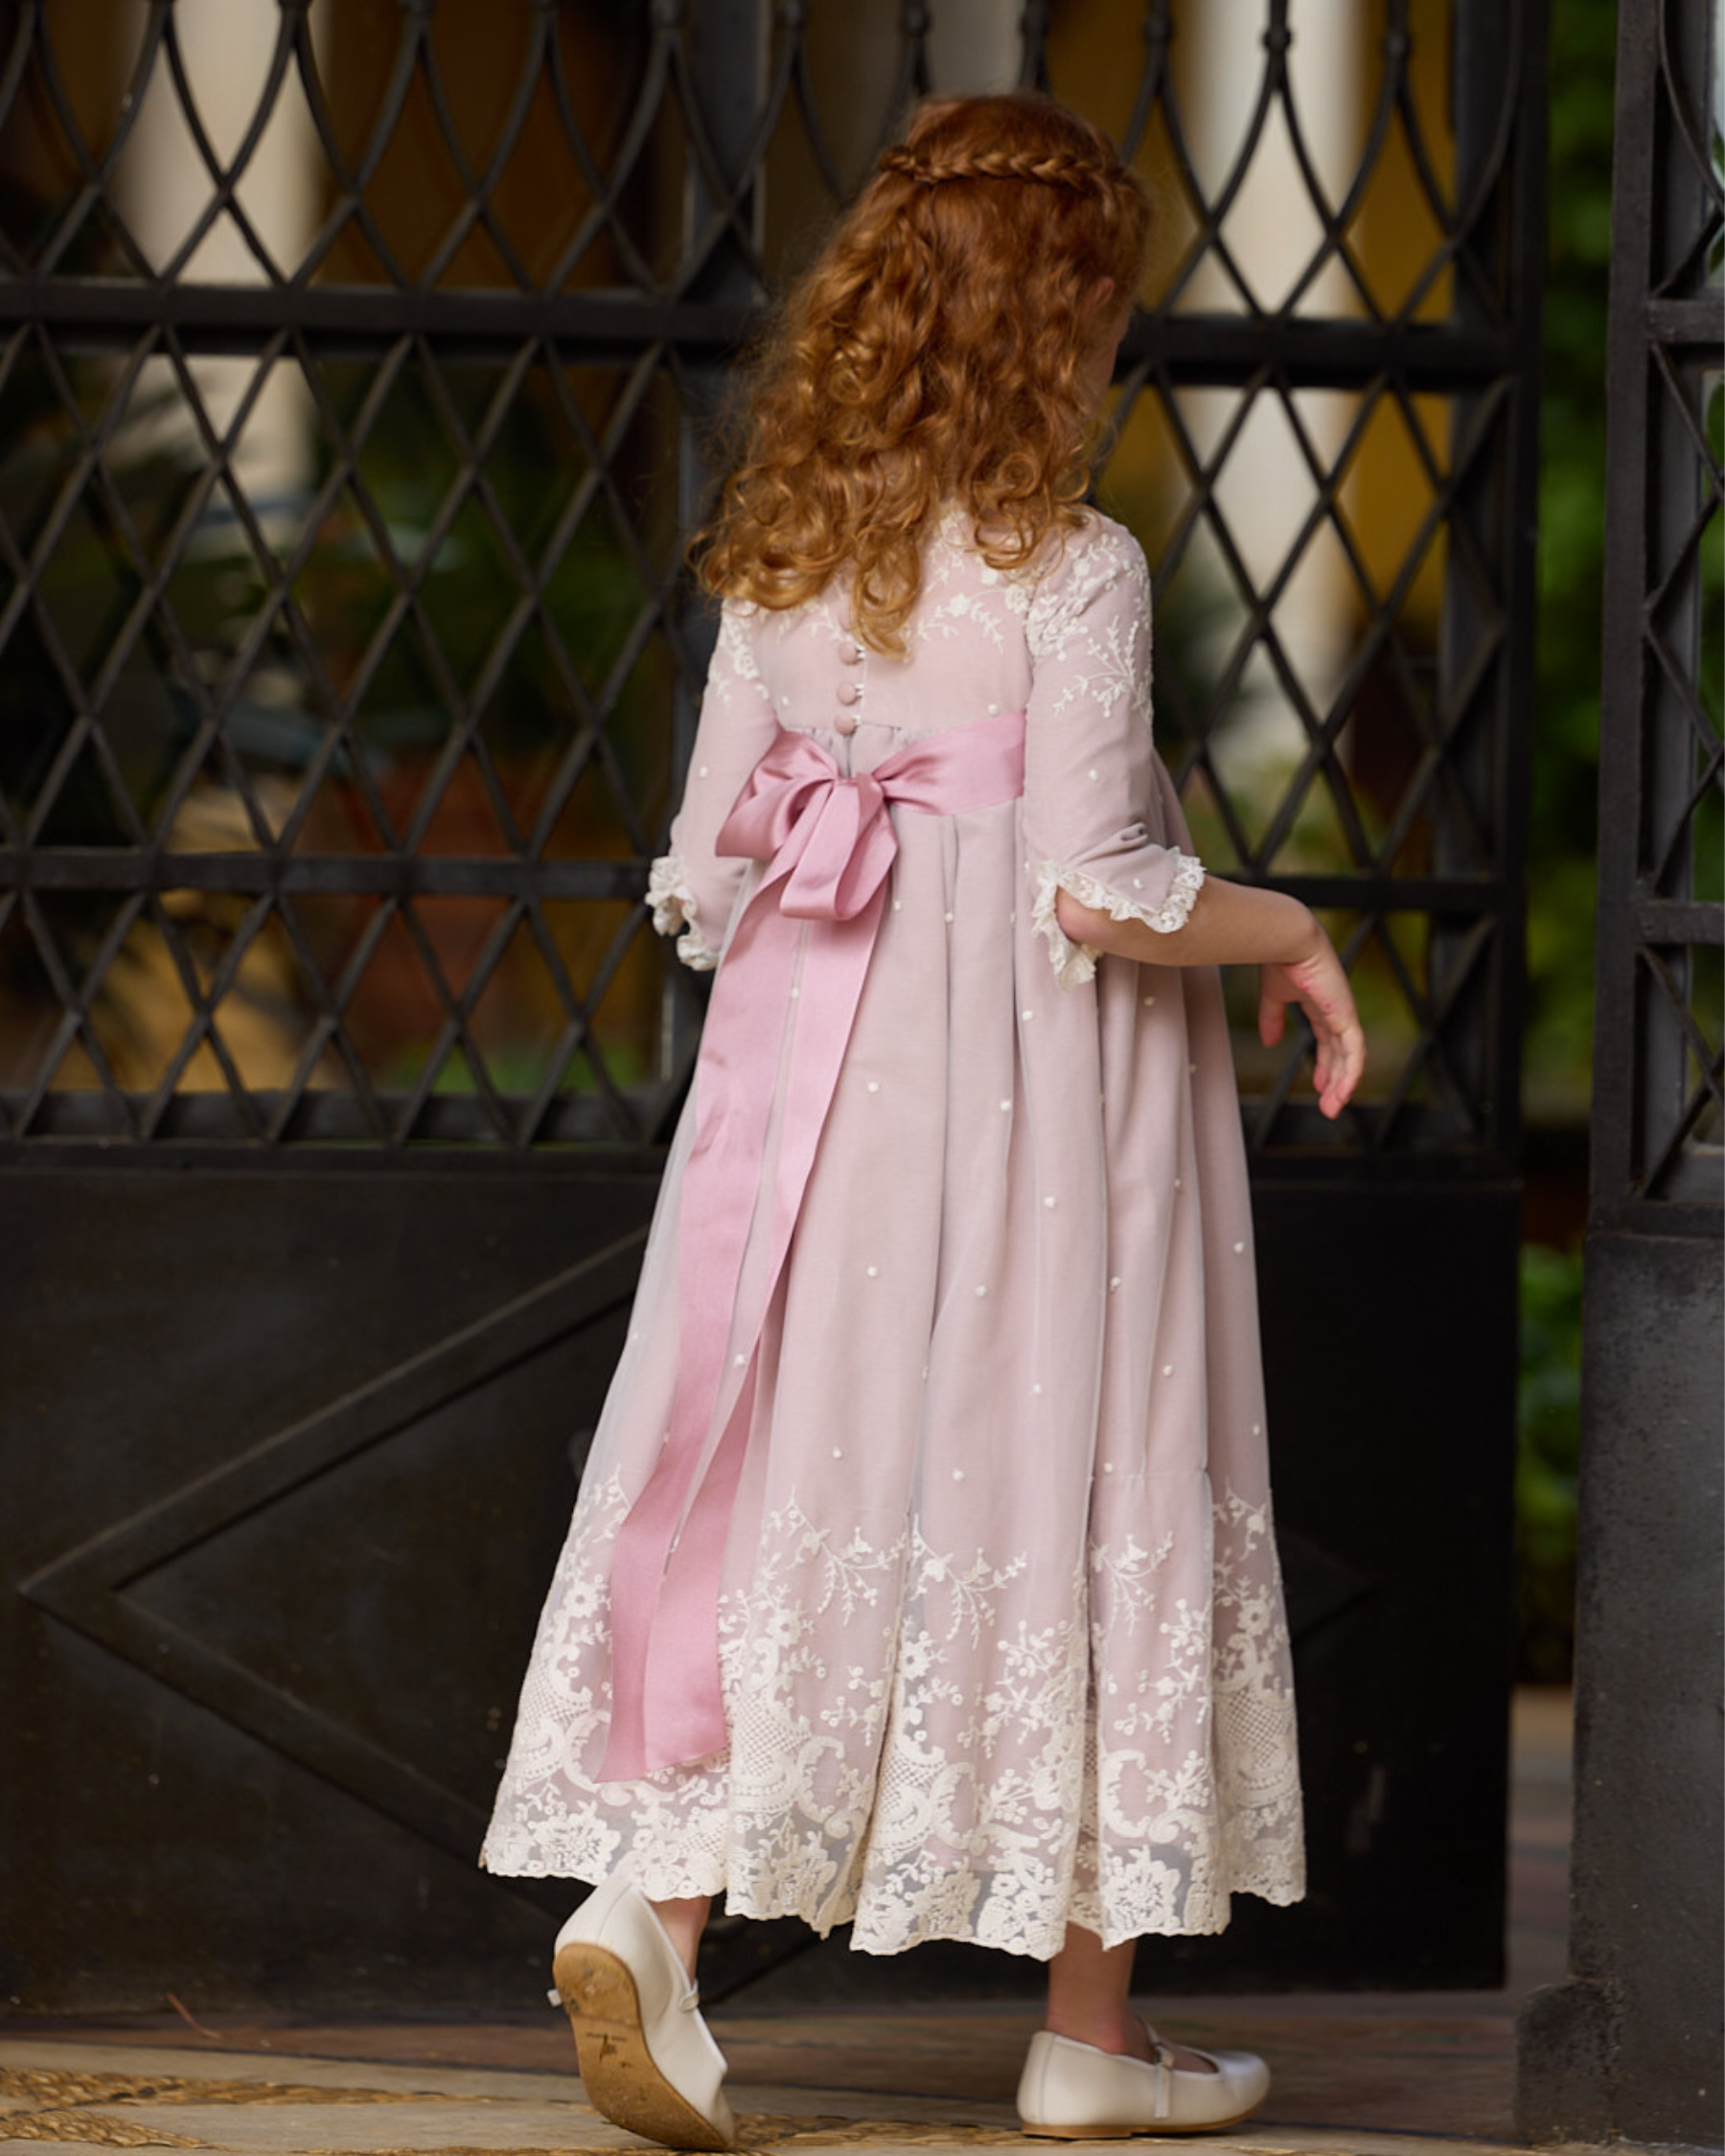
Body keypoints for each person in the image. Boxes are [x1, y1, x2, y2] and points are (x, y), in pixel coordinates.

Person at [481, 89, 1365, 2149]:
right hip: (1046, 1117)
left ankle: (664, 1915)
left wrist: (851, 835)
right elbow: (1097, 887)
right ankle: (1087, 2034)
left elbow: (703, 878)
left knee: (785, 1475)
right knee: (1076, 1464)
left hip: (814, 1118)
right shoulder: (1073, 569)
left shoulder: (779, 565)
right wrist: (1290, 922)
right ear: (1058, 323)